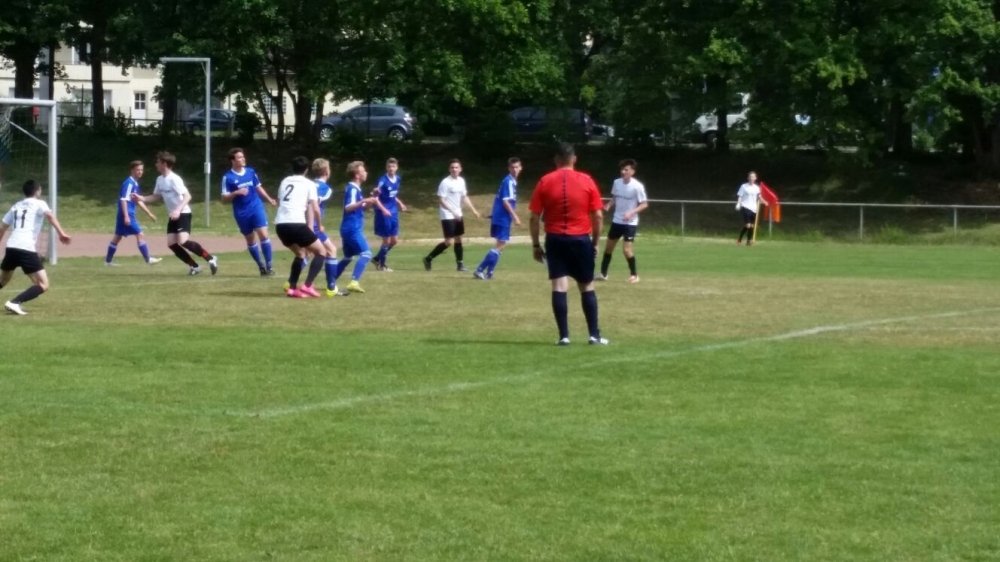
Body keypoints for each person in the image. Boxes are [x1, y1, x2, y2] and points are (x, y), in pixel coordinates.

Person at [529, 143, 608, 346]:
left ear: (556, 160)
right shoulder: (586, 180)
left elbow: (534, 217)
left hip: (555, 238)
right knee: (586, 285)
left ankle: (564, 336)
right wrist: (595, 242)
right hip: (580, 238)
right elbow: (598, 216)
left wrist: (536, 245)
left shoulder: (545, 181)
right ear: (574, 159)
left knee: (559, 285)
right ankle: (593, 335)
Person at [132, 151, 218, 275]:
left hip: (183, 213)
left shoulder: (174, 179)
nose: (156, 164)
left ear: (164, 164)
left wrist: (178, 210)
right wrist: (141, 198)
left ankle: (210, 258)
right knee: (171, 244)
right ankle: (195, 267)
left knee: (183, 241)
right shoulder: (160, 179)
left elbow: (187, 196)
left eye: (158, 162)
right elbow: (156, 196)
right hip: (173, 215)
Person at [0, 180, 72, 315]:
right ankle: (14, 302)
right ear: (37, 191)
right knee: (43, 284)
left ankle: (15, 302)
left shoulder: (16, 206)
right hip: (26, 248)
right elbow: (50, 216)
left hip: (11, 247)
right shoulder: (40, 203)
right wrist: (61, 233)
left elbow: (2, 228)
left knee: (3, 280)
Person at [273, 156, 341, 298]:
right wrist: (319, 224)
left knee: (301, 254)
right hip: (296, 223)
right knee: (321, 252)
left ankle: (292, 288)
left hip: (280, 225)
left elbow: (279, 202)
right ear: (306, 170)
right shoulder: (309, 184)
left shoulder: (284, 181)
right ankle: (307, 285)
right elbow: (315, 208)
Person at [221, 148, 277, 275]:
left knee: (264, 235)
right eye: (239, 157)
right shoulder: (228, 177)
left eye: (243, 156)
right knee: (251, 240)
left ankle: (269, 265)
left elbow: (258, 187)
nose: (243, 159)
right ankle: (260, 265)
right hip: (242, 212)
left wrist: (269, 199)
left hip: (256, 207)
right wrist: (236, 192)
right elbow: (224, 198)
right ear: (233, 161)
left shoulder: (250, 172)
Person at [423, 159, 481, 272]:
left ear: (460, 169)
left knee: (458, 238)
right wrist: (453, 212)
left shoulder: (461, 181)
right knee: (449, 241)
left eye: (456, 167)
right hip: (447, 214)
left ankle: (460, 264)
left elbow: (464, 197)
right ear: (449, 169)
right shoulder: (445, 182)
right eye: (452, 167)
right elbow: (441, 200)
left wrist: (474, 210)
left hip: (458, 214)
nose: (454, 169)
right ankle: (428, 258)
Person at [598, 158, 648, 283]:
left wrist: (631, 212)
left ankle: (634, 275)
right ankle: (603, 274)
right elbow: (615, 197)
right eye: (622, 169)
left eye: (626, 170)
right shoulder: (617, 182)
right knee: (608, 248)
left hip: (630, 223)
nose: (623, 172)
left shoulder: (637, 186)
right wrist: (609, 205)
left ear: (632, 172)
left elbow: (644, 204)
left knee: (626, 250)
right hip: (617, 221)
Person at [105, 160, 162, 266]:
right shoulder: (129, 183)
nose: (140, 172)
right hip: (127, 213)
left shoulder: (134, 183)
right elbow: (123, 200)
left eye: (141, 170)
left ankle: (108, 261)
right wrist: (126, 216)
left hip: (124, 214)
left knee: (117, 237)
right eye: (137, 170)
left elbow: (138, 201)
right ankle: (148, 259)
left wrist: (149, 213)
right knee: (140, 234)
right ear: (132, 170)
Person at [333, 161, 379, 293]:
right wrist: (364, 200)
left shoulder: (356, 189)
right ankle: (354, 282)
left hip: (348, 228)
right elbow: (348, 208)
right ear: (357, 175)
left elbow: (363, 207)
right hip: (352, 228)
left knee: (348, 257)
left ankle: (331, 281)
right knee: (366, 254)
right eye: (363, 171)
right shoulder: (352, 189)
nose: (366, 173)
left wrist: (373, 197)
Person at [474, 157, 522, 280]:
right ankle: (480, 269)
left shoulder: (511, 181)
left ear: (521, 168)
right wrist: (515, 216)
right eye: (512, 167)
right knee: (500, 245)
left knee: (501, 245)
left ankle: (490, 272)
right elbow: (505, 202)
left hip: (500, 216)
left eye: (517, 167)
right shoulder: (508, 181)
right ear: (508, 168)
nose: (515, 169)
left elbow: (499, 200)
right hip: (503, 217)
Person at [305, 158, 346, 296]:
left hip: (301, 222)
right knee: (331, 250)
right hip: (313, 226)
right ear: (327, 171)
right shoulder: (325, 189)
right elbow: (313, 205)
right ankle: (331, 288)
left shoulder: (308, 184)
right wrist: (316, 224)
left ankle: (289, 284)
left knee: (306, 253)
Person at [371, 158, 408, 272]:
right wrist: (383, 209)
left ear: (397, 168)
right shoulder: (382, 180)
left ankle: (377, 258)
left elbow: (393, 195)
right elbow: (375, 197)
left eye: (393, 167)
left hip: (393, 212)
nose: (391, 169)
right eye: (389, 167)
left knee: (394, 241)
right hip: (384, 213)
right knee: (386, 240)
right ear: (386, 168)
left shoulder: (398, 179)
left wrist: (400, 204)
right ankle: (382, 265)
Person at [736, 171, 767, 246]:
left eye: (753, 177)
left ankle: (748, 240)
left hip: (754, 208)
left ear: (755, 178)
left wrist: (764, 202)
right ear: (748, 178)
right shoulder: (744, 186)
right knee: (748, 225)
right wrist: (738, 203)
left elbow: (759, 197)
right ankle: (740, 238)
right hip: (745, 207)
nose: (751, 178)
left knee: (752, 226)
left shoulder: (757, 188)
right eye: (750, 177)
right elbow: (740, 195)